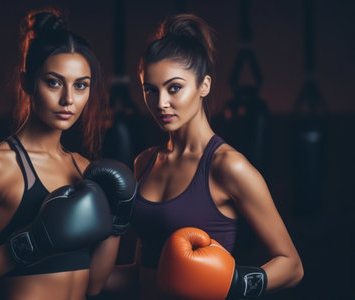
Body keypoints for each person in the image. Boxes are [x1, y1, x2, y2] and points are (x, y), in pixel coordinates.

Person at [0, 9, 134, 300]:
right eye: (54, 82)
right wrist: (34, 242)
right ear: (27, 82)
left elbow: (94, 284)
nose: (68, 99)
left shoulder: (84, 170)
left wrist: (117, 223)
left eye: (81, 85)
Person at [106, 14, 303, 300]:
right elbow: (142, 273)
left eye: (174, 88)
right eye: (150, 90)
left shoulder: (228, 166)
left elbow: (292, 266)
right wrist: (71, 271)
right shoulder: (144, 163)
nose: (161, 103)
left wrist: (232, 283)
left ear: (204, 86)